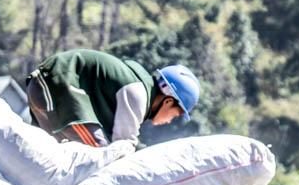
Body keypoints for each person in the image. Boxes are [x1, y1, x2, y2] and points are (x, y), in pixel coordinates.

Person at [26, 48, 200, 147]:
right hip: (57, 85)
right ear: (168, 101)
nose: (170, 121)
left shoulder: (138, 84)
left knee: (49, 154)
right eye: (175, 114)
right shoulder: (137, 93)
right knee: (101, 154)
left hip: (43, 86)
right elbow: (123, 146)